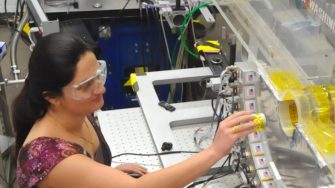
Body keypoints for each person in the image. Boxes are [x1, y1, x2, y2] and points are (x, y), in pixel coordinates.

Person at [13, 32, 257, 188]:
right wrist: (215, 150)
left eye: (99, 75)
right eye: (86, 85)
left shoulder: (74, 109)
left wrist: (103, 176)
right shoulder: (49, 156)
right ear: (52, 97)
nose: (101, 89)